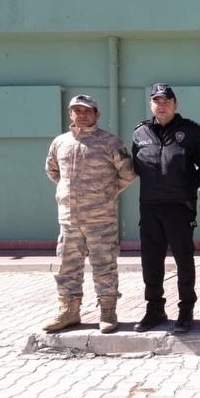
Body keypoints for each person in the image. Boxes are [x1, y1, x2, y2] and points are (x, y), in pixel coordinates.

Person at [42, 95, 136, 333]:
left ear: (97, 114)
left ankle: (107, 311)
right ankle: (69, 311)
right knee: (67, 267)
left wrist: (104, 194)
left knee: (104, 266)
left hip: (101, 220)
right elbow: (53, 171)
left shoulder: (110, 143)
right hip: (69, 220)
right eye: (77, 110)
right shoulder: (60, 142)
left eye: (87, 111)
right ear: (70, 113)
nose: (82, 115)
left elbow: (127, 174)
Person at [132, 83, 200, 333]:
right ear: (151, 105)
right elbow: (135, 167)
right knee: (150, 262)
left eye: (166, 101)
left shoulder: (192, 132)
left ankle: (186, 310)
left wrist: (188, 187)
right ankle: (154, 309)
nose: (161, 106)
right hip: (150, 207)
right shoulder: (140, 133)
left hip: (179, 207)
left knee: (183, 260)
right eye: (157, 101)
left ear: (176, 105)